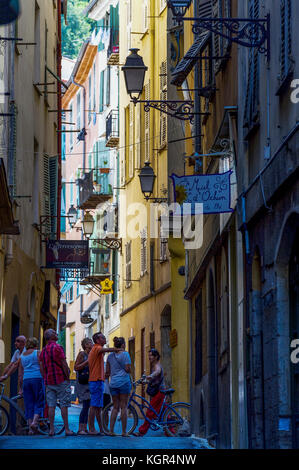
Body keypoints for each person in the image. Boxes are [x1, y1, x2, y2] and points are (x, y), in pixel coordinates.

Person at [39, 329, 75, 436]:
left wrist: (45, 377)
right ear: (51, 337)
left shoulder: (43, 350)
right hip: (61, 379)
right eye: (55, 333)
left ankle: (51, 430)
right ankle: (67, 429)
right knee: (64, 404)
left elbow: (41, 367)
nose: (57, 334)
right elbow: (63, 363)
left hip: (49, 381)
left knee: (51, 405)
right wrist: (67, 376)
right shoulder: (58, 348)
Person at [88, 332, 119, 436]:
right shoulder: (96, 348)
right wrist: (116, 349)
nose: (105, 338)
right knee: (93, 406)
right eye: (102, 337)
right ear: (97, 340)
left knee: (98, 407)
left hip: (97, 380)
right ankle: (91, 428)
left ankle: (101, 429)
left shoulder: (96, 349)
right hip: (96, 380)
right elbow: (104, 350)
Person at [133, 348, 165, 437]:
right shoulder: (153, 365)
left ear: (156, 357)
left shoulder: (157, 366)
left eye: (151, 355)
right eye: (149, 355)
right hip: (159, 391)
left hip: (160, 391)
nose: (149, 357)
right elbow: (154, 380)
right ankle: (171, 431)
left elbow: (157, 372)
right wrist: (145, 381)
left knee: (150, 412)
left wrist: (150, 376)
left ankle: (141, 432)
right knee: (163, 412)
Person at [18, 337, 45, 434]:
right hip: (37, 378)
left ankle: (30, 429)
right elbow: (41, 366)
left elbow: (20, 374)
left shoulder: (22, 356)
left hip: (26, 380)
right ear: (35, 344)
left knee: (28, 403)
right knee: (39, 400)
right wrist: (44, 377)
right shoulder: (37, 352)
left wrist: (20, 388)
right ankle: (34, 422)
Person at [106, 337, 131, 437]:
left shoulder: (109, 356)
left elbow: (107, 372)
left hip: (113, 384)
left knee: (115, 407)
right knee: (123, 406)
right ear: (123, 345)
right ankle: (124, 432)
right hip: (124, 382)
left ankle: (111, 430)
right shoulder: (125, 354)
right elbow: (128, 369)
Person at [74, 337, 93, 435]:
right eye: (90, 342)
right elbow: (76, 367)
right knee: (85, 406)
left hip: (89, 382)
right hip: (82, 383)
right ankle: (80, 428)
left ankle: (84, 428)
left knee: (87, 405)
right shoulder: (82, 354)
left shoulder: (91, 354)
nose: (92, 344)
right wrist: (87, 362)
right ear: (85, 345)